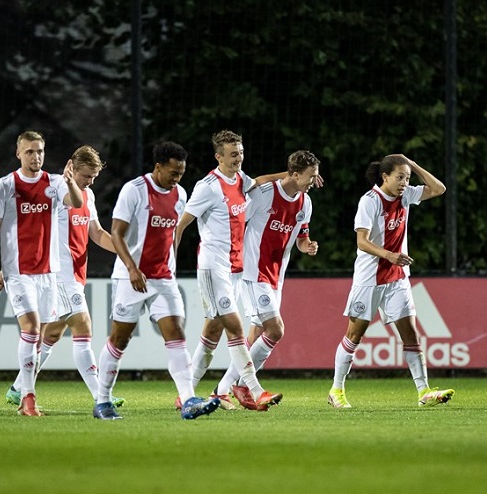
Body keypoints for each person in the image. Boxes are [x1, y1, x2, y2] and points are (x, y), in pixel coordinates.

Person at [93, 141, 220, 420]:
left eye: (181, 173)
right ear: (158, 167)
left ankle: (188, 400)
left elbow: (172, 234)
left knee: (176, 333)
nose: (177, 179)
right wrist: (132, 269)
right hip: (131, 278)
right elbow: (116, 233)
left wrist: (171, 263)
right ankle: (102, 401)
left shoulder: (180, 194)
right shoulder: (134, 190)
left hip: (163, 279)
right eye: (173, 173)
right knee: (120, 339)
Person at [0, 145, 125, 408]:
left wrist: (127, 254)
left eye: (93, 177)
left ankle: (18, 387)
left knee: (52, 334)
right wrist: (10, 267)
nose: (90, 182)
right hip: (59, 275)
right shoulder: (56, 194)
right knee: (83, 326)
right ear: (71, 168)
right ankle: (101, 396)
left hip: (76, 275)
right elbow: (33, 231)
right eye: (85, 176)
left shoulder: (88, 196)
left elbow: (97, 233)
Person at [327, 154, 453, 409]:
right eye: (400, 177)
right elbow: (361, 241)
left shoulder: (406, 196)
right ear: (385, 177)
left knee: (411, 334)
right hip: (369, 279)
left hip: (397, 279)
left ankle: (424, 392)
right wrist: (389, 255)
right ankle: (336, 390)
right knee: (354, 336)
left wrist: (413, 165)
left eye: (407, 178)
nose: (404, 182)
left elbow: (439, 188)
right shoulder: (370, 201)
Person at [174, 130, 286, 411]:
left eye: (241, 152)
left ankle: (185, 393)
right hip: (213, 267)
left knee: (212, 331)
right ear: (219, 157)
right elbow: (181, 224)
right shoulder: (208, 187)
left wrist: (289, 176)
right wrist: (169, 259)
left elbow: (258, 181)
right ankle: (255, 390)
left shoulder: (240, 179)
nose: (239, 158)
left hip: (234, 268)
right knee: (235, 327)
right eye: (233, 154)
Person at [0, 131, 83, 416]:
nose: (36, 156)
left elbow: (76, 203)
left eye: (39, 151)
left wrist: (71, 181)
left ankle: (20, 392)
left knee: (39, 336)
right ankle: (28, 398)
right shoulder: (5, 186)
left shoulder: (55, 182)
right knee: (30, 327)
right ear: (18, 154)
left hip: (48, 273)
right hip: (18, 273)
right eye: (29, 151)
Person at [214, 150, 321, 409]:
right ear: (295, 174)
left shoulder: (305, 203)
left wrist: (307, 246)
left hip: (276, 278)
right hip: (253, 273)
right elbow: (236, 222)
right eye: (311, 176)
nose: (314, 181)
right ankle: (244, 386)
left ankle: (223, 389)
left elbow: (302, 238)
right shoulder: (264, 194)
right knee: (276, 330)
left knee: (256, 336)